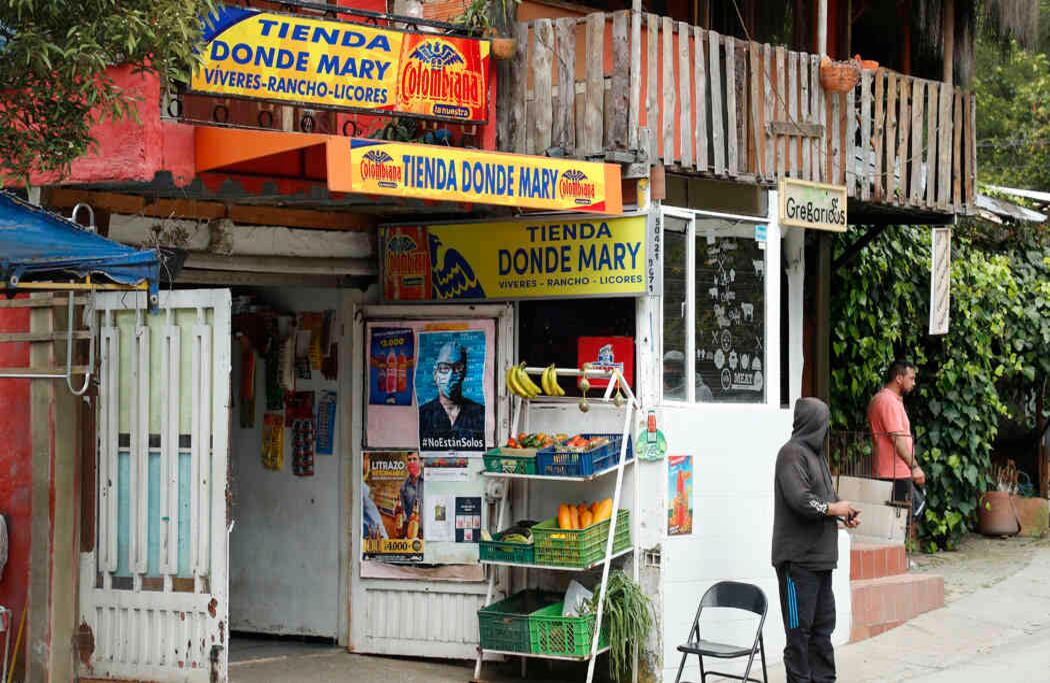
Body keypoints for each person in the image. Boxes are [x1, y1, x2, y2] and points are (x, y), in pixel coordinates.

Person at [773, 398, 860, 683]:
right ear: (812, 423)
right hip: (798, 564)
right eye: (823, 423)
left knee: (823, 632)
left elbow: (826, 499)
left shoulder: (817, 456)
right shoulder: (791, 454)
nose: (826, 430)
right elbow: (801, 500)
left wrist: (842, 511)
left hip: (821, 562)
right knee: (799, 635)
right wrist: (831, 508)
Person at [867, 360, 926, 518]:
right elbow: (898, 439)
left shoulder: (888, 400)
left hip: (895, 471)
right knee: (899, 523)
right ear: (899, 378)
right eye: (911, 378)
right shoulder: (887, 402)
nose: (914, 382)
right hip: (893, 473)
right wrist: (914, 467)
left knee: (901, 521)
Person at [417, 340, 485, 450]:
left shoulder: (481, 414)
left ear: (464, 372)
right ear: (435, 374)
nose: (450, 377)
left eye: (457, 368)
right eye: (444, 368)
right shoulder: (422, 416)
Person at [397, 452, 424, 539]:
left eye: (414, 459)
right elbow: (403, 514)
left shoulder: (429, 481)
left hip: (428, 531)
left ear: (420, 462)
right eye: (409, 460)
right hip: (412, 533)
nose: (412, 462)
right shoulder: (403, 488)